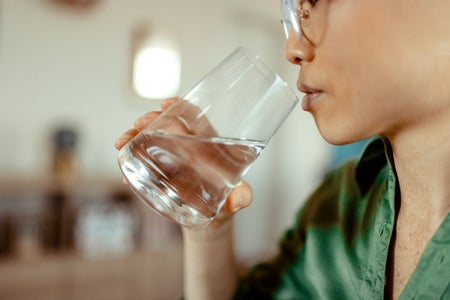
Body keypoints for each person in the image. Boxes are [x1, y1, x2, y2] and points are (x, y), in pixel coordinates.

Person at [115, 0, 450, 299]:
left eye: (315, 2)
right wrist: (209, 231)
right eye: (291, 13)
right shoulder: (335, 202)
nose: (292, 48)